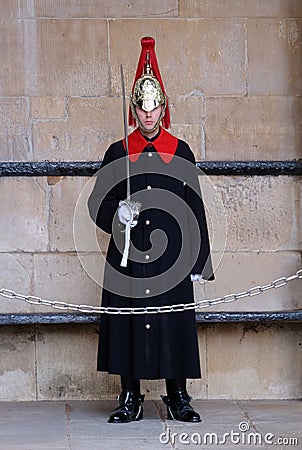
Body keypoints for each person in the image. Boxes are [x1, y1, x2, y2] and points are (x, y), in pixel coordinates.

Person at [88, 36, 214, 424]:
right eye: (142, 108)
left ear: (163, 108)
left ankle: (178, 394)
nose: (148, 114)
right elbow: (98, 204)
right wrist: (116, 214)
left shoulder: (181, 151)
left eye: (154, 106)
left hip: (171, 258)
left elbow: (195, 208)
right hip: (128, 256)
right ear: (134, 109)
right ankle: (130, 395)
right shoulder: (117, 152)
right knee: (129, 323)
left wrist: (199, 260)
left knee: (172, 321)